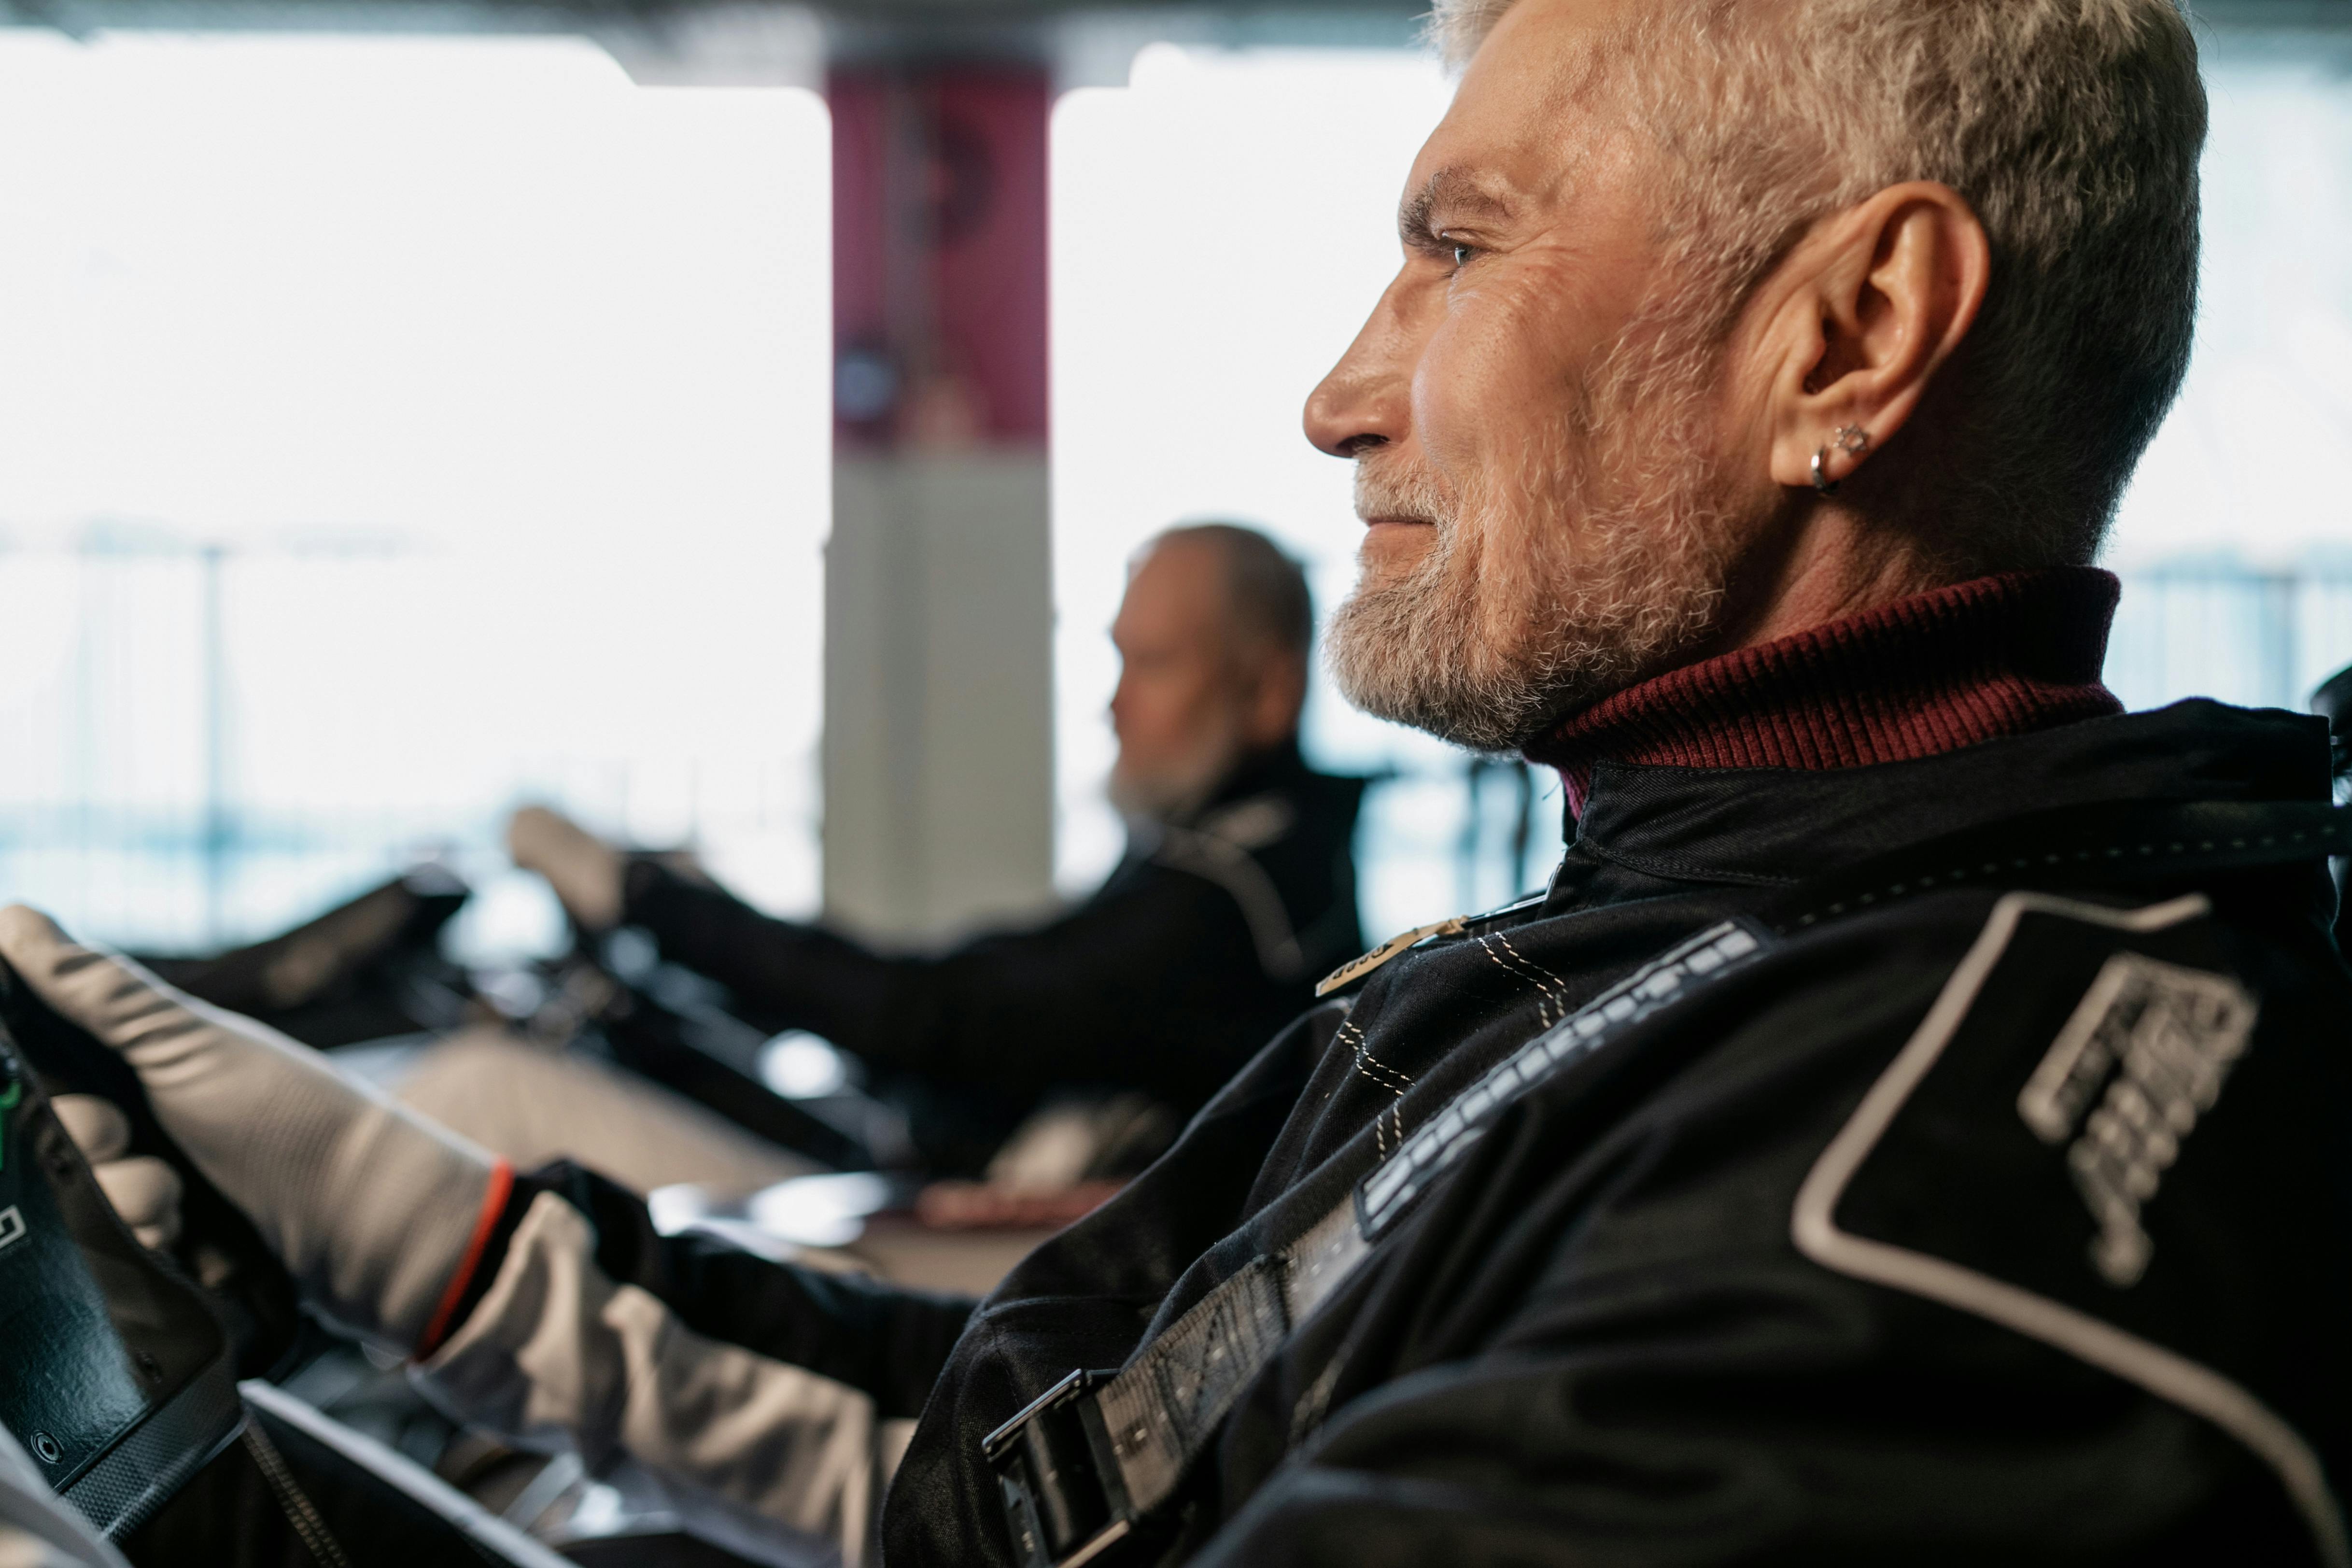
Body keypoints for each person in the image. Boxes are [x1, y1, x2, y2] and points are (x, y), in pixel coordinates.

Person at [13, 1, 2350, 1565]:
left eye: (1457, 249)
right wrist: (360, 1227)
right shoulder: (1637, 940)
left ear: (1845, 335)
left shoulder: (1962, 1193)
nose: (1341, 395)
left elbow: (950, 1035)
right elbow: (1039, 1464)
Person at [499, 521, 1366, 1175]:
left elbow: (935, 1016)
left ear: (1269, 688)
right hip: (969, 1213)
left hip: (976, 1270)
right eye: (1119, 662)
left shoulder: (1230, 897)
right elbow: (986, 998)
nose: (1114, 708)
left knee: (497, 1091)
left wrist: (647, 899)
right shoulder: (1262, 861)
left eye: (1154, 664)